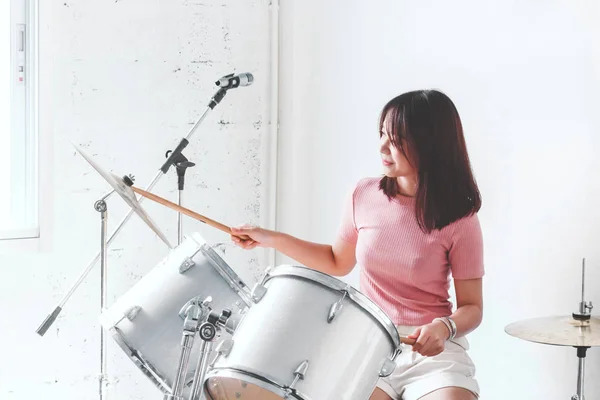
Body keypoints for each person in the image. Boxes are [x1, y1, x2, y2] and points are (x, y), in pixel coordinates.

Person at [230, 89, 484, 400]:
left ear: (429, 144)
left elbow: (472, 307)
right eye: (382, 134)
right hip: (371, 349)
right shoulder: (364, 194)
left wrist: (444, 327)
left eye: (396, 139)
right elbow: (337, 261)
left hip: (433, 354)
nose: (382, 146)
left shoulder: (460, 217)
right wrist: (269, 238)